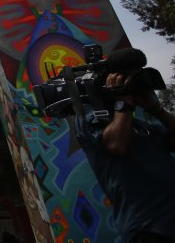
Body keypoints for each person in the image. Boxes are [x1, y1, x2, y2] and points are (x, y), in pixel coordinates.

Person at [72, 69, 175, 242]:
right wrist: (123, 103)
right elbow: (116, 145)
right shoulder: (90, 122)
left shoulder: (142, 126)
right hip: (149, 229)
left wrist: (156, 109)